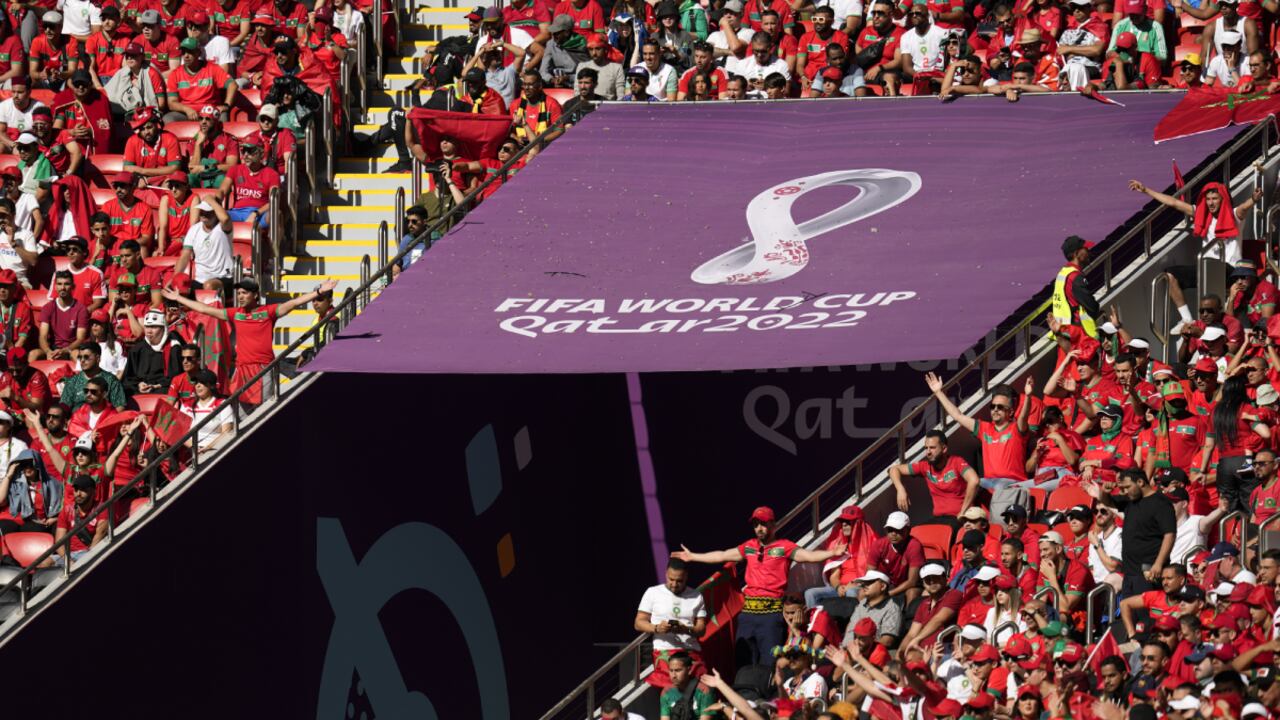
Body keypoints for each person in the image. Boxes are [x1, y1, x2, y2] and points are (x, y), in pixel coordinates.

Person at [670, 505, 845, 667]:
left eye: (763, 524)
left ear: (773, 524)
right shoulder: (749, 547)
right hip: (748, 615)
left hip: (771, 615)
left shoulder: (784, 547)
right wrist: (693, 556)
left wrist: (833, 553)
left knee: (769, 664)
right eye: (755, 524)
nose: (759, 528)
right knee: (743, 663)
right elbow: (722, 555)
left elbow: (808, 556)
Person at [162, 278, 336, 407]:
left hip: (263, 369)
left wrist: (319, 292)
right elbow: (204, 309)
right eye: (238, 293)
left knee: (266, 413)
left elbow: (294, 302)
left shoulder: (268, 312)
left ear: (255, 295)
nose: (240, 296)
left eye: (244, 293)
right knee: (241, 415)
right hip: (242, 370)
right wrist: (179, 298)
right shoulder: (235, 313)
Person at [1129, 179, 1261, 326]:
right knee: (1170, 275)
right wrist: (1146, 190)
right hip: (1206, 268)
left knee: (1214, 269)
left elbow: (1244, 208)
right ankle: (1187, 319)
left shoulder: (1233, 215)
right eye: (1208, 199)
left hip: (1229, 269)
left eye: (1215, 199)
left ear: (1222, 199)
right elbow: (1174, 203)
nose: (1211, 203)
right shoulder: (1201, 214)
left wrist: (1253, 199)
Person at [927, 373, 1032, 489]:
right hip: (990, 483)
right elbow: (958, 416)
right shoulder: (984, 428)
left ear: (1011, 412)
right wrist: (938, 392)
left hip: (1013, 483)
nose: (995, 410)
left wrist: (1028, 396)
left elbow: (1023, 417)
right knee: (963, 483)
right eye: (993, 407)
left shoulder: (1017, 428)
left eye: (1000, 407)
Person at [1095, 467, 1177, 597]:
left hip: (1148, 572)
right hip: (1129, 572)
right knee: (1129, 612)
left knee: (1146, 614)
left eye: (1127, 487)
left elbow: (1170, 535)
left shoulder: (1161, 503)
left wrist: (1158, 563)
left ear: (1140, 482)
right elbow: (1108, 501)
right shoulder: (1131, 501)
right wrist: (1105, 492)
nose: (1124, 492)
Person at [1200, 374, 1270, 513]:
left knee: (1227, 509)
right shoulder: (1245, 408)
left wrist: (1203, 471)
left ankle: (1229, 535)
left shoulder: (1215, 412)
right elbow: (1265, 433)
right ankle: (1253, 535)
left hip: (1224, 465)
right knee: (1251, 506)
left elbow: (1208, 445)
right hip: (1245, 463)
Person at [635, 558, 708, 688]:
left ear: (686, 577)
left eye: (679, 581)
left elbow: (701, 629)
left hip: (690, 652)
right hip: (665, 652)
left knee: (702, 689)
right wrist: (657, 628)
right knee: (671, 692)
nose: (674, 584)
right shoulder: (653, 592)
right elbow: (639, 623)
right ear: (666, 574)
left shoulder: (696, 595)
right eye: (671, 579)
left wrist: (685, 629)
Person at [888, 430, 980, 527]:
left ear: (944, 448)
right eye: (926, 448)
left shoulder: (956, 462)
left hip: (959, 518)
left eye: (932, 448)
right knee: (915, 534)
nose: (928, 452)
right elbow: (894, 469)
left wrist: (963, 512)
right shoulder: (925, 466)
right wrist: (900, 489)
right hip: (939, 519)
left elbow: (974, 480)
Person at [172, 196, 234, 293]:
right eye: (202, 211)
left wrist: (211, 200)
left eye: (207, 211)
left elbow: (225, 219)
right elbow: (184, 256)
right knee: (179, 286)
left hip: (224, 277)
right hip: (200, 280)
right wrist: (174, 279)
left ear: (215, 212)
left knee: (209, 286)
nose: (203, 214)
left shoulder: (223, 228)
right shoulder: (194, 229)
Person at [218, 138, 279, 228]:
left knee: (276, 215)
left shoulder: (272, 174)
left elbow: (274, 201)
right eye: (244, 151)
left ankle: (275, 242)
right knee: (214, 216)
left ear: (261, 154)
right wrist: (214, 201)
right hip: (236, 213)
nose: (245, 155)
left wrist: (256, 213)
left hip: (260, 213)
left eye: (250, 151)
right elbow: (222, 191)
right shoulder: (235, 170)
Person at [51, 473, 107, 568]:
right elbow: (59, 542)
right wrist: (68, 561)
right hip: (69, 555)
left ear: (93, 492)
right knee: (43, 562)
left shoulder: (102, 509)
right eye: (76, 490)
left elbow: (99, 537)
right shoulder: (67, 510)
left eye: (83, 490)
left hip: (89, 553)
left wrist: (86, 559)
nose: (78, 494)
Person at [35, 270, 88, 361]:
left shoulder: (81, 309)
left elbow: (80, 339)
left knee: (76, 355)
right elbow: (43, 336)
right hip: (52, 348)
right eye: (59, 284)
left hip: (71, 349)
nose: (62, 287)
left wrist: (65, 350)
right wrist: (48, 351)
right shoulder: (48, 307)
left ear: (73, 287)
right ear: (55, 286)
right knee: (34, 354)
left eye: (66, 284)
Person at [60, 341, 126, 409]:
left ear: (98, 358)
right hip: (76, 418)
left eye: (86, 357)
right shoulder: (72, 381)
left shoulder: (111, 381)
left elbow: (119, 407)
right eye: (80, 357)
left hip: (103, 418)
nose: (82, 360)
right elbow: (64, 407)